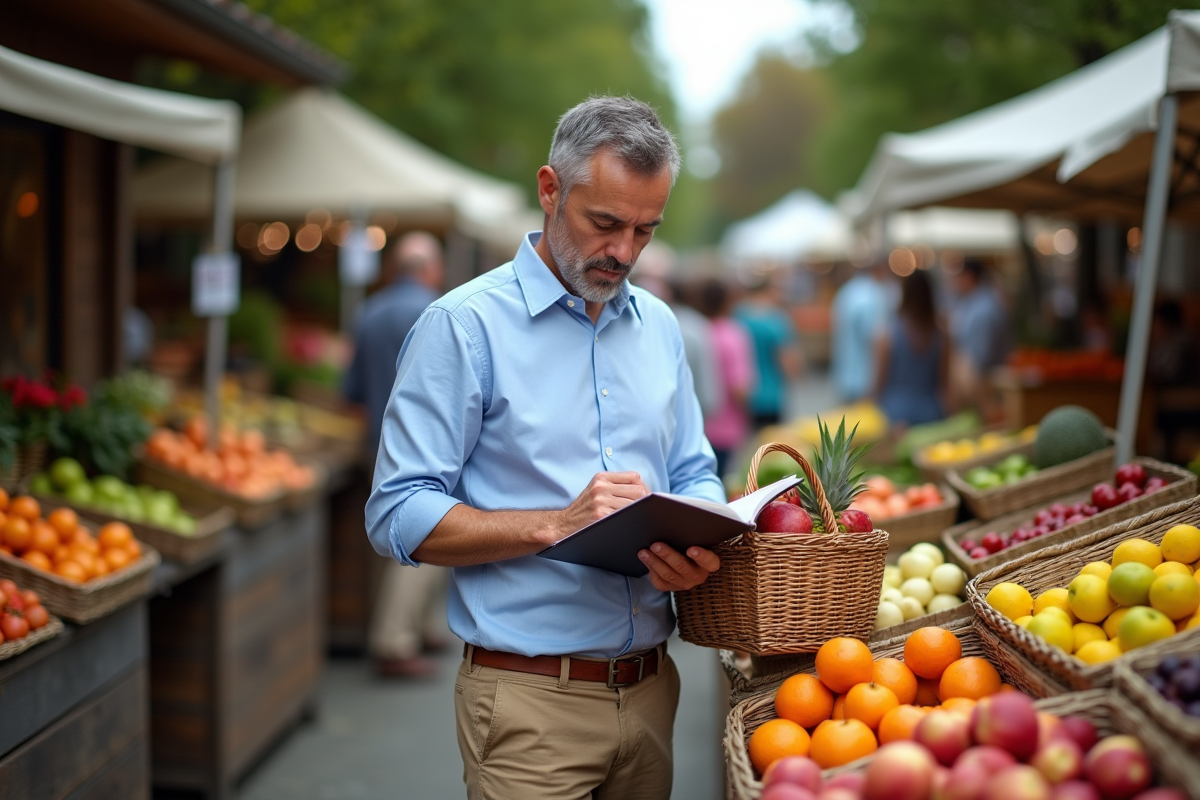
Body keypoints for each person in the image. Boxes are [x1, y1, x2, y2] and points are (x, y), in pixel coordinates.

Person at [365, 96, 724, 800]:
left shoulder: (660, 327)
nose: (624, 252)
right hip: (528, 704)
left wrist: (698, 537)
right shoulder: (462, 327)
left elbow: (694, 468)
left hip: (655, 694)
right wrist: (554, 524)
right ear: (550, 190)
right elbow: (397, 514)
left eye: (646, 230)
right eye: (606, 224)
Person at [344, 231, 447, 678]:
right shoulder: (441, 312)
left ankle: (415, 628)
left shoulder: (369, 311)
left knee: (399, 539)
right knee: (423, 544)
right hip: (430, 446)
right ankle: (394, 641)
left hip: (377, 444)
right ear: (430, 269)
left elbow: (350, 390)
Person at [874, 269, 946, 428]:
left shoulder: (888, 333)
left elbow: (879, 380)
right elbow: (944, 382)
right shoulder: (941, 334)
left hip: (895, 415)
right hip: (932, 413)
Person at [699, 278, 755, 481]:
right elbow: (739, 387)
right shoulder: (733, 335)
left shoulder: (698, 330)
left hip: (700, 425)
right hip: (727, 426)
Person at [734, 276, 801, 428]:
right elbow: (788, 362)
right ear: (769, 290)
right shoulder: (776, 320)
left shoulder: (737, 314)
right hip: (770, 395)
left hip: (743, 394)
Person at [947, 258, 1009, 415]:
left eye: (958, 276)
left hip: (984, 390)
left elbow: (982, 360)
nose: (955, 281)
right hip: (978, 388)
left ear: (969, 276)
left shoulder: (984, 310)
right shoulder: (974, 303)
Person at [831, 260, 890, 403]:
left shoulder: (846, 291)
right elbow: (875, 340)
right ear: (880, 271)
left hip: (844, 377)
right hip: (866, 380)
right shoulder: (873, 295)